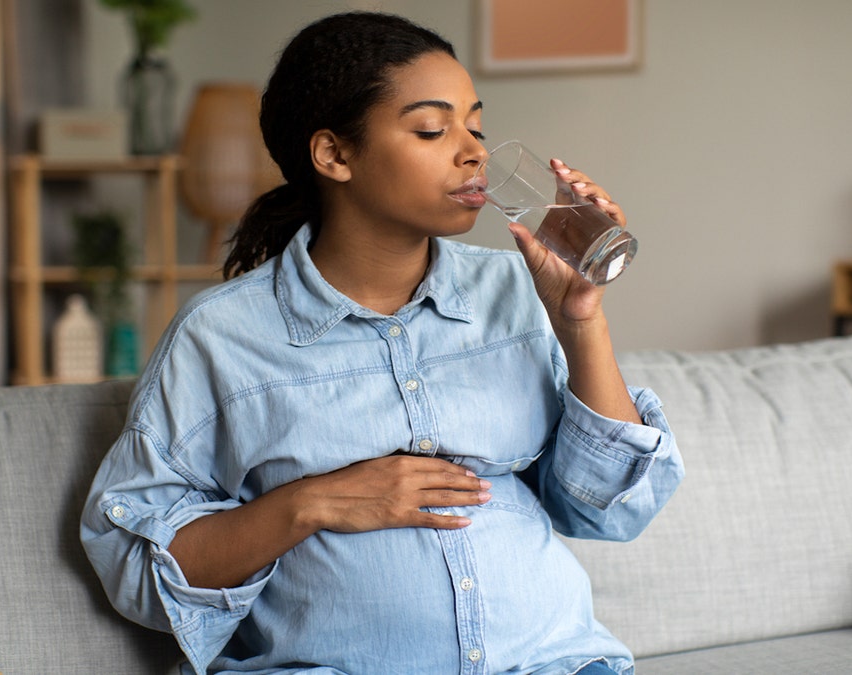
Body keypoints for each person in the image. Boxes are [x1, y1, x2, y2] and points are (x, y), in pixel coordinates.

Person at [81, 11, 683, 675]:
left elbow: (610, 509)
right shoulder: (222, 337)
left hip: (555, 663)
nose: (473, 150)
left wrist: (580, 319)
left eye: (474, 125)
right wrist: (309, 503)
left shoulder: (519, 291)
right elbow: (132, 554)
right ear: (334, 154)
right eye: (432, 128)